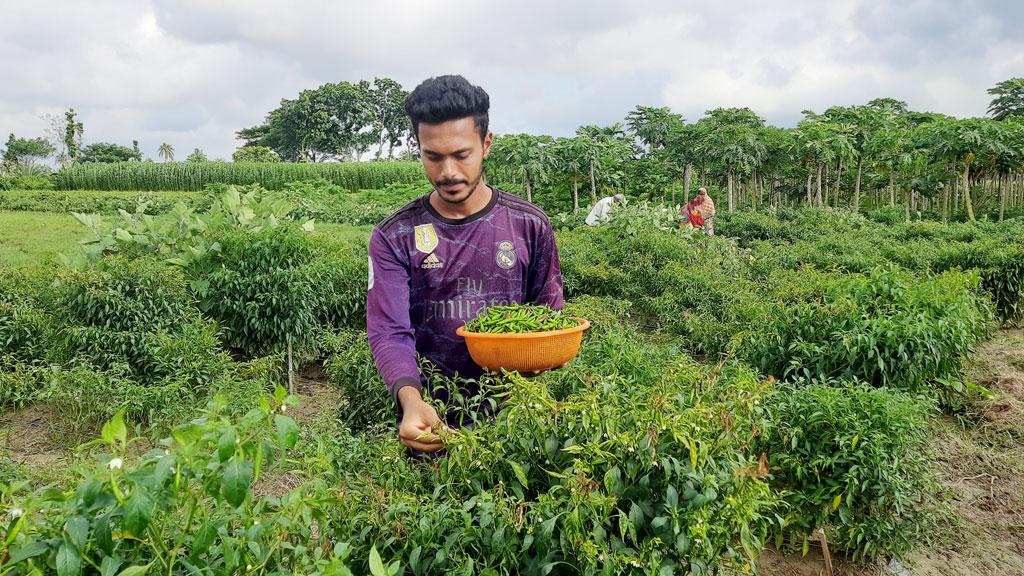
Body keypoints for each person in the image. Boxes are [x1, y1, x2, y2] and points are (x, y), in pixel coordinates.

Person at [366, 75, 564, 454]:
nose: (448, 173)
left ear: (486, 144)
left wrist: (540, 360)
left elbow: (548, 318)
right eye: (433, 157)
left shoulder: (529, 224)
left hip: (518, 420)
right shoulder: (395, 235)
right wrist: (410, 401)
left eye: (461, 154)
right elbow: (389, 330)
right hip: (430, 422)